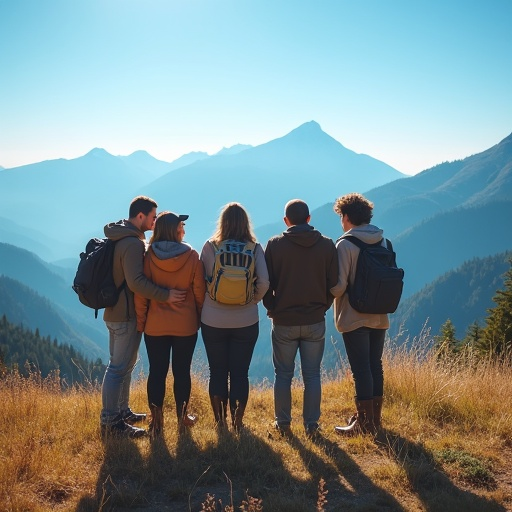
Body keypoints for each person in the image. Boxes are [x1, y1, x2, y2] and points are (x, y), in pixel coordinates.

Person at [101, 196, 186, 438]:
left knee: (124, 366)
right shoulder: (132, 244)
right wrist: (165, 295)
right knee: (118, 368)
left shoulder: (122, 236)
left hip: (115, 311)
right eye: (152, 216)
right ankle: (110, 422)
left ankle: (122, 412)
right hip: (125, 313)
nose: (154, 221)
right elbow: (136, 282)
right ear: (140, 216)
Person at [263, 199, 338, 437]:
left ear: (286, 221)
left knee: (283, 374)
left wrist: (273, 308)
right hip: (315, 319)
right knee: (312, 374)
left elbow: (265, 284)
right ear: (309, 219)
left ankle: (283, 424)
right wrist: (323, 306)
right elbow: (333, 284)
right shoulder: (327, 245)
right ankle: (311, 425)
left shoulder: (275, 245)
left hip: (284, 321)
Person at [134, 211, 205, 439]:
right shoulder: (192, 256)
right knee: (182, 372)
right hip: (185, 325)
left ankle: (156, 422)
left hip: (155, 326)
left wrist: (142, 323)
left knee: (157, 372)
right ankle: (182, 419)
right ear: (175, 231)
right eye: (181, 226)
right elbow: (199, 292)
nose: (184, 229)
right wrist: (199, 318)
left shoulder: (149, 256)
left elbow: (142, 294)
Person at [200, 202, 269, 431]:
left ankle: (220, 422)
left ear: (223, 222)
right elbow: (265, 282)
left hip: (213, 320)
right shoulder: (255, 248)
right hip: (246, 320)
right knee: (240, 373)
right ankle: (237, 422)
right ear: (245, 223)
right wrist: (251, 300)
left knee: (217, 371)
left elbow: (201, 281)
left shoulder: (211, 247)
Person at [330, 192, 390, 435]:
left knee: (361, 368)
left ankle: (363, 424)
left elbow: (340, 286)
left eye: (341, 217)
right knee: (375, 365)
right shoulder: (383, 241)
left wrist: (323, 291)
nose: (341, 221)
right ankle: (374, 419)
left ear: (346, 216)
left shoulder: (345, 244)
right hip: (379, 314)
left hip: (354, 315)